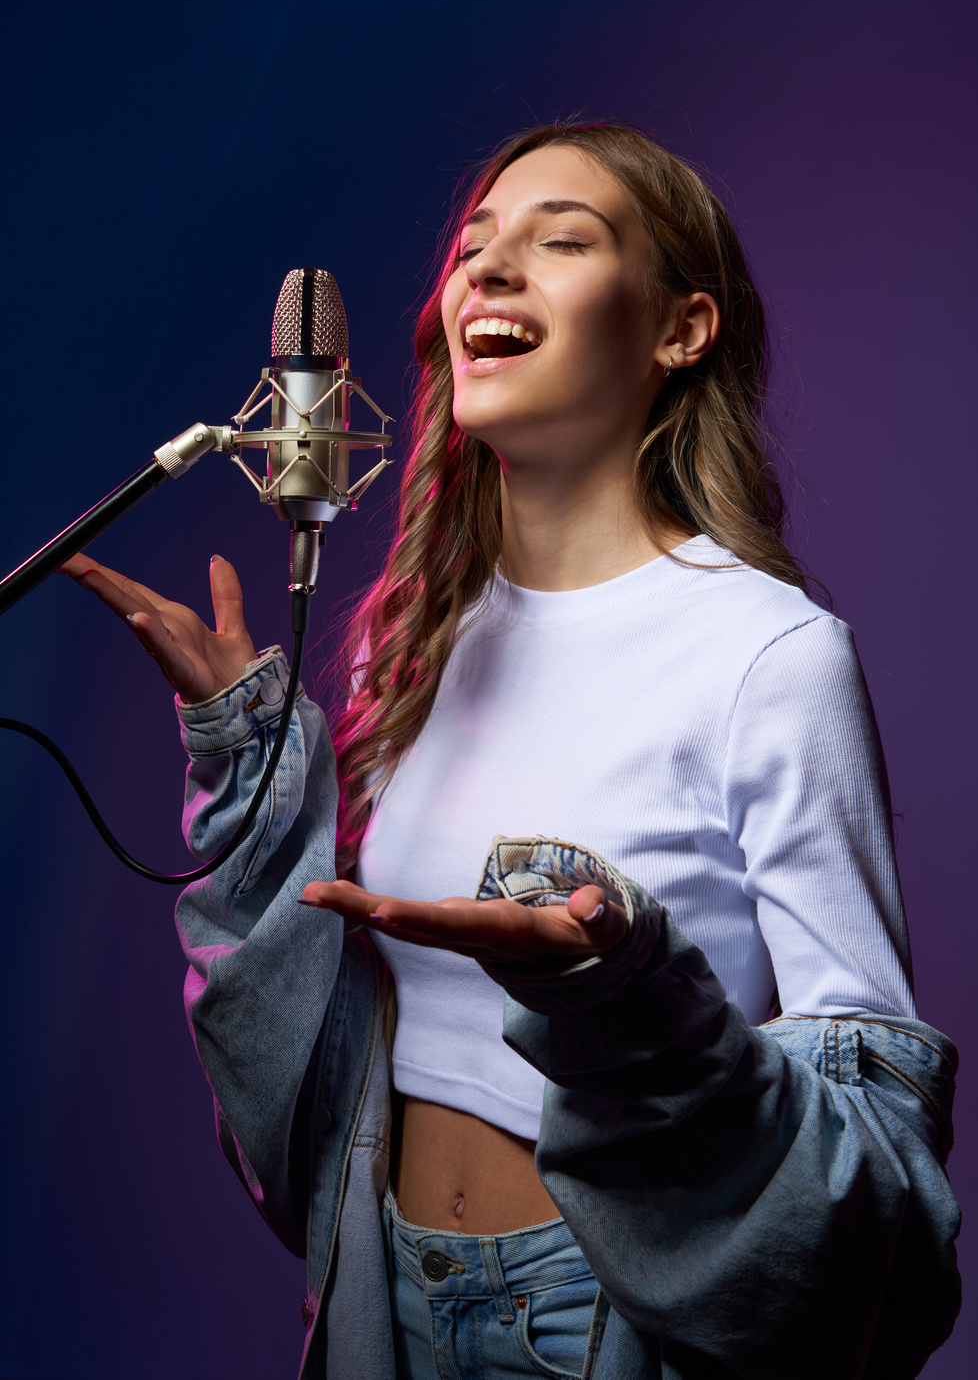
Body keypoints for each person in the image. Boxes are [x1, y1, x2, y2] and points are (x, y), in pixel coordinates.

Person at [61, 123, 960, 1380]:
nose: (488, 270)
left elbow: (869, 1171)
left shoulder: (772, 655)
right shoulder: (419, 639)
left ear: (679, 329)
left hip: (606, 1320)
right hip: (380, 1291)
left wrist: (623, 988)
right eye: (475, 247)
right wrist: (249, 757)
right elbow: (311, 1032)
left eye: (563, 240)